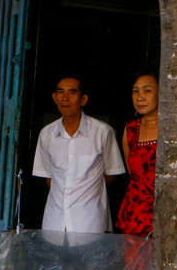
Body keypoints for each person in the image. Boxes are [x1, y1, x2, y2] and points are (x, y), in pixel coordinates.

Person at [32, 76, 125, 233]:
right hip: (55, 221)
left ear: (83, 99)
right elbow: (48, 177)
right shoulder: (47, 134)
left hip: (90, 221)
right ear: (54, 97)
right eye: (60, 92)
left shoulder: (102, 132)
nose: (65, 98)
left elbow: (112, 173)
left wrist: (86, 188)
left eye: (72, 93)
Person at [116, 72, 158, 236]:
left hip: (166, 216)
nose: (140, 97)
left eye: (147, 91)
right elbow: (132, 172)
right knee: (134, 262)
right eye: (136, 91)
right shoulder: (131, 129)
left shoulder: (172, 130)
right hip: (135, 216)